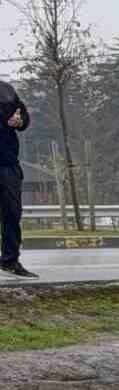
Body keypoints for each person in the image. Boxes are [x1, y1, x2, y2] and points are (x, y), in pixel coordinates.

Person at [0, 80, 33, 278]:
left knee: (12, 213)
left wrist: (21, 121)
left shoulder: (7, 90)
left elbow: (23, 116)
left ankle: (10, 260)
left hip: (7, 163)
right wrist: (5, 123)